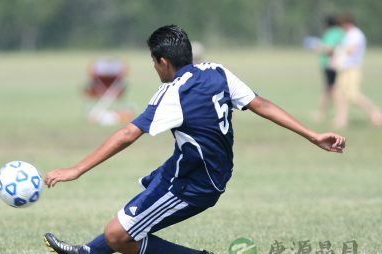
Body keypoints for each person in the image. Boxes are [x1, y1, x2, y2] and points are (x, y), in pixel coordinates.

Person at [43, 25, 346, 254]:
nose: (153, 67)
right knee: (143, 198)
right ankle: (88, 251)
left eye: (153, 61)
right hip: (188, 167)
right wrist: (312, 134)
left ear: (163, 61)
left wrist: (76, 170)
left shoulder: (174, 92)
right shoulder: (217, 71)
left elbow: (127, 134)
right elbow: (260, 103)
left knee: (117, 236)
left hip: (195, 183)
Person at [332, 14, 382, 128]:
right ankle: (342, 119)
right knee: (339, 93)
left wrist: (338, 54)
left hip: (352, 69)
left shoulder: (356, 34)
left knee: (353, 95)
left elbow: (351, 50)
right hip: (344, 68)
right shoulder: (348, 35)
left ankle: (376, 113)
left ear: (347, 23)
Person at [314, 15, 345, 122]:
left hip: (329, 65)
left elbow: (329, 49)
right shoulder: (341, 32)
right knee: (327, 90)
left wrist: (318, 48)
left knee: (334, 90)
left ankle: (341, 116)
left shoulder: (331, 33)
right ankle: (322, 113)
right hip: (336, 65)